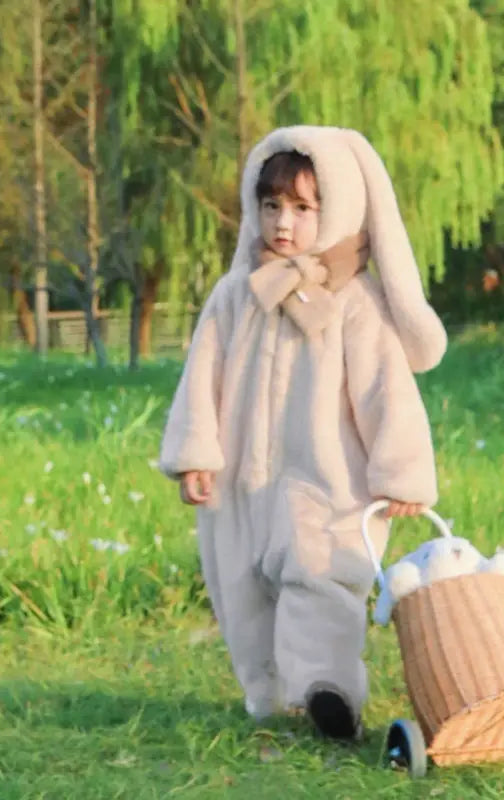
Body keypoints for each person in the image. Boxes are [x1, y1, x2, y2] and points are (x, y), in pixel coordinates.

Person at [159, 125, 446, 740]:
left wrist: (401, 475)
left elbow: (385, 391)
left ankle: (329, 690)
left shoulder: (355, 304)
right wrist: (195, 456)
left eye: (302, 208)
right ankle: (266, 690)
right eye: (271, 205)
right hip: (242, 478)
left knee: (321, 575)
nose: (283, 223)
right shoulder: (236, 294)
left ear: (335, 207)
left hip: (326, 477)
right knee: (242, 584)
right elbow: (201, 375)